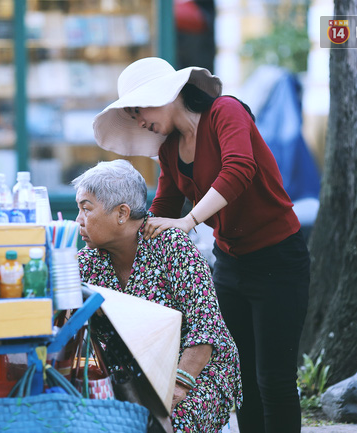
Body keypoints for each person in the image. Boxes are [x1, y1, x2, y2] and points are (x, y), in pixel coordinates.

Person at [92, 57, 310, 433]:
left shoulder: (226, 112)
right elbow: (161, 210)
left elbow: (240, 169)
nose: (139, 121)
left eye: (138, 109)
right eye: (132, 115)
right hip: (230, 264)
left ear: (165, 94)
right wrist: (111, 231)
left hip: (279, 259)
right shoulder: (169, 150)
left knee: (273, 378)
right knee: (242, 380)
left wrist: (189, 220)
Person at [72, 159, 242, 433]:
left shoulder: (171, 245)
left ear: (122, 213)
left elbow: (207, 330)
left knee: (163, 425)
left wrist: (177, 387)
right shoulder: (86, 262)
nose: (78, 220)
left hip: (195, 371)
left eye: (86, 209)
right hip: (130, 375)